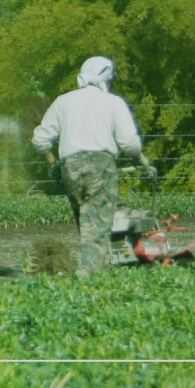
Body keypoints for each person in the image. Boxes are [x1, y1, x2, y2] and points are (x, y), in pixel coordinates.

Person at [30, 56, 156, 275]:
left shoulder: (63, 101)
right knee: (96, 230)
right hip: (101, 168)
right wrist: (143, 160)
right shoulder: (113, 102)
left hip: (71, 169)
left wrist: (53, 165)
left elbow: (40, 140)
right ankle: (86, 277)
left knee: (88, 228)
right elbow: (129, 143)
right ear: (105, 79)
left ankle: (101, 271)